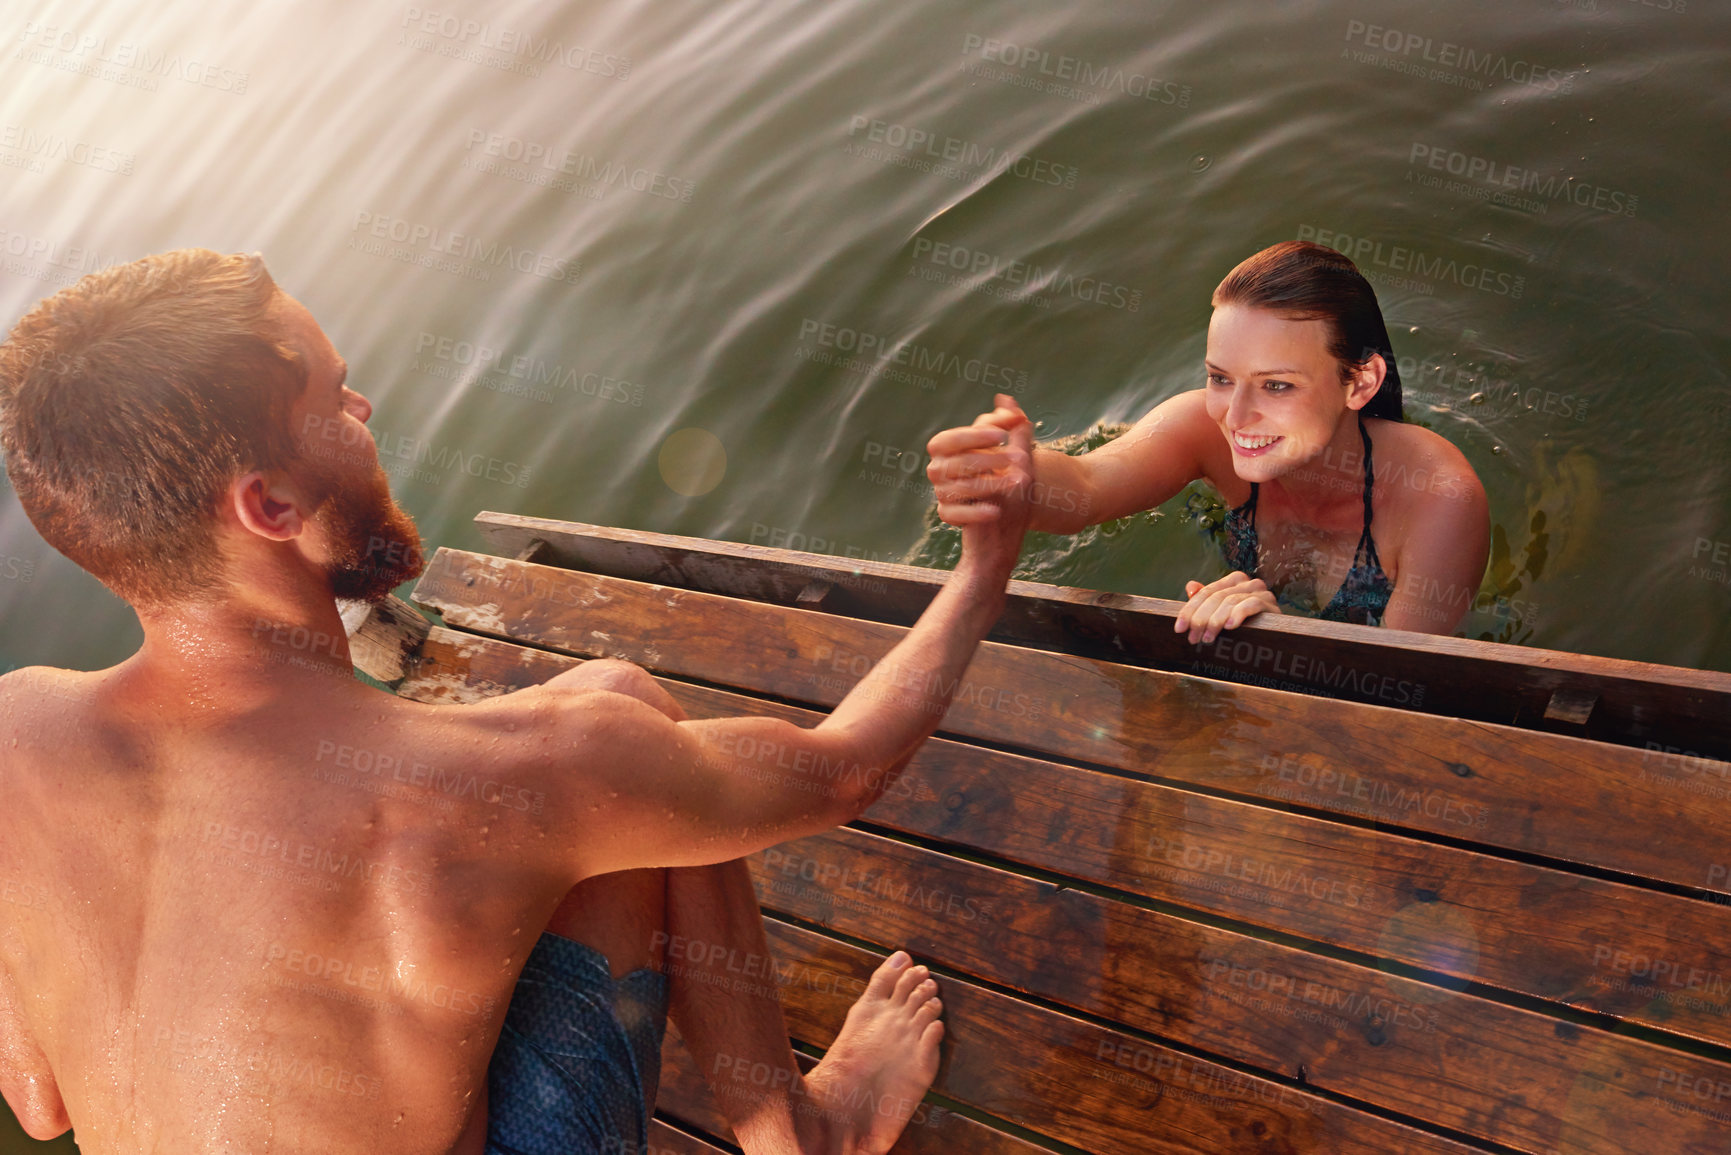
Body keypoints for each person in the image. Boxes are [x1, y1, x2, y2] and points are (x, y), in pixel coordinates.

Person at [0, 249, 1035, 1155]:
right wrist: (987, 563)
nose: (364, 418)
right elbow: (846, 766)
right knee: (623, 737)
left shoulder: (15, 737)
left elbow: (41, 1104)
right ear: (269, 505)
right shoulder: (494, 785)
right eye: (336, 398)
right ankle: (807, 1134)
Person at [927, 240, 1490, 638]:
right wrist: (1005, 481)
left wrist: (1279, 635)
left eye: (1276, 385)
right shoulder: (1204, 426)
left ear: (1360, 382)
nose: (1235, 415)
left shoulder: (1438, 498)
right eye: (1221, 377)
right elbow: (1085, 486)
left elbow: (1401, 702)